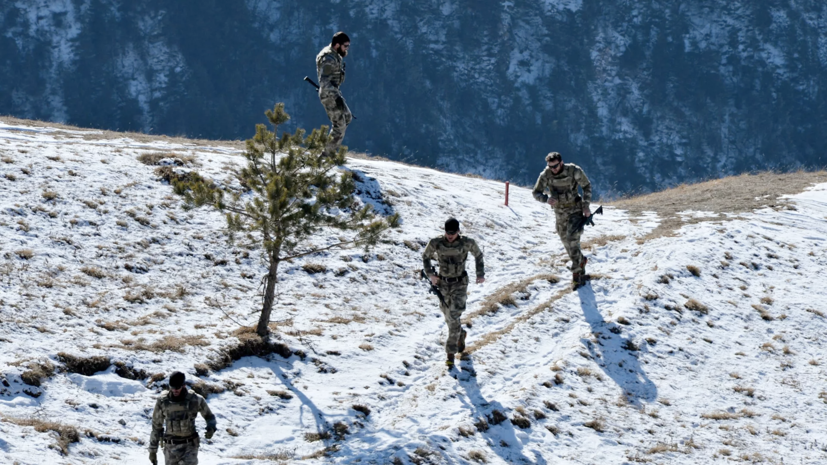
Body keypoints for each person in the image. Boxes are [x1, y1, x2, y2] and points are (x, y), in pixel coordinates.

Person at [422, 218, 485, 367]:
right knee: (448, 316)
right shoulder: (436, 243)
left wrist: (480, 274)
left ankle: (450, 353)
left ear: (458, 231)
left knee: (454, 314)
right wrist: (430, 274)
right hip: (443, 284)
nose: (450, 236)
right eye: (447, 232)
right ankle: (460, 335)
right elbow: (425, 256)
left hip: (460, 284)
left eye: (453, 233)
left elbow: (478, 255)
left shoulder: (466, 242)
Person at [532, 151, 593, 290]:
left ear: (561, 162)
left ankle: (577, 275)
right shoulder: (546, 175)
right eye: (550, 166)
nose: (553, 169)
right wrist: (546, 199)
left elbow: (586, 186)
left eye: (555, 166)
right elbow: (536, 192)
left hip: (575, 210)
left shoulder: (573, 170)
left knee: (572, 238)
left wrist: (586, 205)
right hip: (559, 212)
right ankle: (580, 260)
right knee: (565, 241)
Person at [148, 371, 216, 465]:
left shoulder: (195, 399)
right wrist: (152, 450)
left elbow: (209, 416)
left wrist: (211, 427)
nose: (175, 390)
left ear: (183, 385)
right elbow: (156, 426)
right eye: (172, 387)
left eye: (177, 387)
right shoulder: (163, 401)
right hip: (170, 448)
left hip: (189, 447)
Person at [316, 31, 353, 158]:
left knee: (347, 117)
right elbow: (325, 81)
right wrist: (335, 97)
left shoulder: (334, 54)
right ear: (337, 45)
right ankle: (326, 155)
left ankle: (329, 149)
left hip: (334, 93)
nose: (347, 49)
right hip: (330, 95)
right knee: (339, 124)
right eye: (345, 46)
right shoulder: (328, 58)